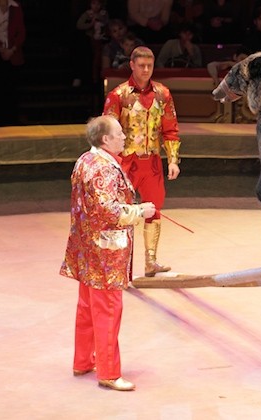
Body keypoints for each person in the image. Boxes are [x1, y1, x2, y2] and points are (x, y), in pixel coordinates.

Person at [60, 115, 156, 392]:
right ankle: (109, 372)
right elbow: (109, 211)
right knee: (108, 311)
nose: (124, 136)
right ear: (106, 139)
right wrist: (141, 211)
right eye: (119, 133)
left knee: (88, 308)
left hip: (87, 248)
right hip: (105, 251)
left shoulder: (84, 161)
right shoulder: (104, 169)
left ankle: (83, 360)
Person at [103, 46, 181, 277]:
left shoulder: (163, 94)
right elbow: (107, 134)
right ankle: (116, 266)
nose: (146, 70)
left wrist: (173, 161)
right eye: (141, 66)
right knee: (121, 214)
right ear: (132, 65)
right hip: (125, 164)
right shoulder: (118, 95)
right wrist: (110, 166)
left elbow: (171, 130)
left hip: (153, 164)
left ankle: (150, 261)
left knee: (153, 210)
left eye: (150, 66)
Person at [77, 0, 111, 86]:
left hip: (103, 39)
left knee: (102, 58)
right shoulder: (88, 14)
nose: (96, 6)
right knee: (95, 58)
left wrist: (100, 19)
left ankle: (101, 78)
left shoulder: (104, 13)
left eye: (98, 4)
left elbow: (107, 23)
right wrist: (90, 24)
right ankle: (94, 79)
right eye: (93, 4)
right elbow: (79, 25)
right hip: (92, 39)